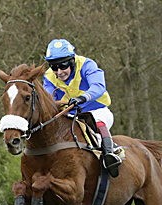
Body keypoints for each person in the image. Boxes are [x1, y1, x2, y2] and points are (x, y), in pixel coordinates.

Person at [42, 39, 122, 177]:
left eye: (62, 66)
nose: (59, 72)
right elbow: (48, 99)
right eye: (54, 67)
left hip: (97, 110)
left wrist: (83, 97)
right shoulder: (49, 76)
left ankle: (110, 154)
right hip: (71, 115)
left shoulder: (87, 65)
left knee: (96, 122)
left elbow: (98, 86)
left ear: (72, 61)